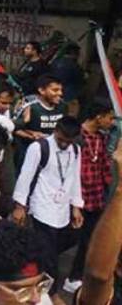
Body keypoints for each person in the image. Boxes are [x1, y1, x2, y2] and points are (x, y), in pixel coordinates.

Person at [11, 115, 83, 291]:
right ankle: (51, 293)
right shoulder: (39, 147)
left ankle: (34, 278)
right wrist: (20, 206)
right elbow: (25, 176)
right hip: (41, 206)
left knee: (55, 247)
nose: (64, 144)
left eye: (69, 141)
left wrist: (76, 207)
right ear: (56, 131)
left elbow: (74, 178)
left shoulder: (76, 150)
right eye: (61, 139)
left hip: (62, 208)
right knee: (50, 258)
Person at [66, 103, 113, 292]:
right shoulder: (76, 137)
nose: (111, 122)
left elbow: (103, 166)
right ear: (98, 117)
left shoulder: (101, 137)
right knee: (70, 238)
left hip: (97, 198)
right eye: (109, 117)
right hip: (78, 198)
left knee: (89, 239)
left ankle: (75, 276)